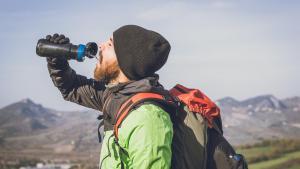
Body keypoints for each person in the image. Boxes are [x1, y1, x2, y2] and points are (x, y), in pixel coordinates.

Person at [45, 25, 173, 169]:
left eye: (110, 43)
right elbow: (72, 88)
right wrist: (58, 63)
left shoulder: (147, 118)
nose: (101, 45)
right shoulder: (115, 97)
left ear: (126, 59)